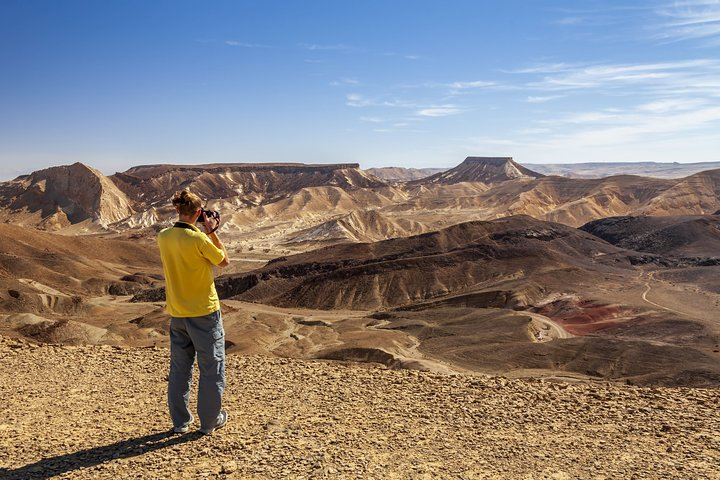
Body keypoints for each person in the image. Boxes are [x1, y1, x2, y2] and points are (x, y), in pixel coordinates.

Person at [157, 190, 230, 435]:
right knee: (211, 368)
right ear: (198, 213)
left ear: (178, 210)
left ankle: (180, 422)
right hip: (204, 312)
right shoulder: (199, 239)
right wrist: (211, 231)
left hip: (177, 312)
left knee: (179, 368)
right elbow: (222, 261)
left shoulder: (163, 236)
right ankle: (209, 422)